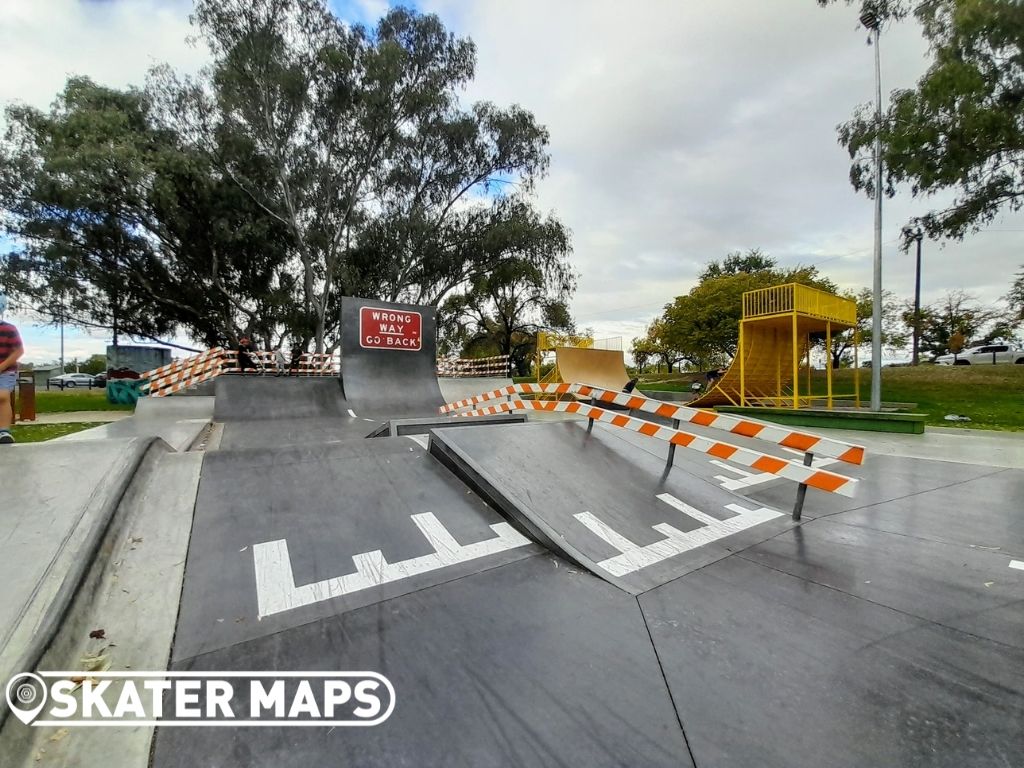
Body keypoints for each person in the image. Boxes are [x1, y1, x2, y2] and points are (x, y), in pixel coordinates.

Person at [0, 294, 24, 445]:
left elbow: (19, 351)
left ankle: (4, 431)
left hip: (5, 370)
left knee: (2, 396)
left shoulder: (8, 329)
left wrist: (2, 366)